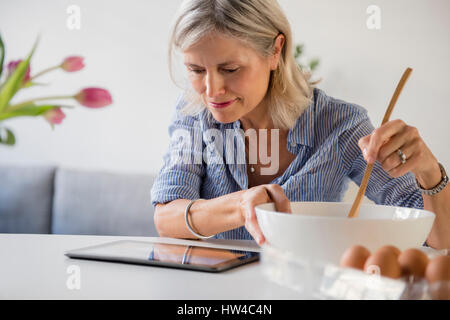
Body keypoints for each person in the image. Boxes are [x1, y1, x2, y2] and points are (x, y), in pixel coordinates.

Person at [151, 0, 449, 249]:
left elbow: (439, 238)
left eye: (230, 69)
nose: (212, 90)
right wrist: (242, 205)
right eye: (196, 69)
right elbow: (166, 219)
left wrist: (429, 172)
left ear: (275, 51)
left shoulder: (340, 126)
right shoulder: (194, 109)